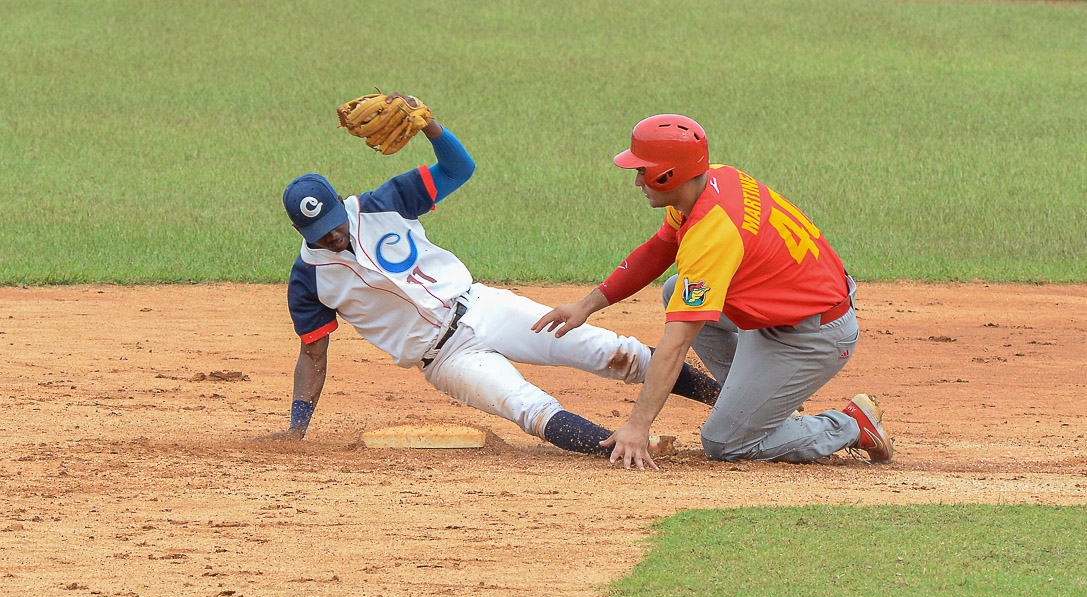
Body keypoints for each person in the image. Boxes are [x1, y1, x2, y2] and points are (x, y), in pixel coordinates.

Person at [262, 96, 720, 455]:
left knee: (612, 352)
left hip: (484, 306)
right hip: (444, 360)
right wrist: (296, 427)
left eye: (337, 225)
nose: (336, 237)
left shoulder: (382, 203)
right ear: (302, 232)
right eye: (322, 235)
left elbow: (459, 169)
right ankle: (617, 449)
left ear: (341, 205)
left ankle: (730, 401)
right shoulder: (308, 282)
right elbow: (313, 355)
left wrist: (430, 127)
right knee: (528, 407)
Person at [533, 114, 892, 470]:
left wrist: (638, 425)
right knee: (676, 288)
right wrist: (588, 304)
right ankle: (759, 403)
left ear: (668, 174)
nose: (637, 181)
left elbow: (675, 346)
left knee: (724, 442)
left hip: (814, 335)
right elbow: (659, 249)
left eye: (642, 171)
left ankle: (851, 425)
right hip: (790, 307)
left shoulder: (712, 233)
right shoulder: (712, 179)